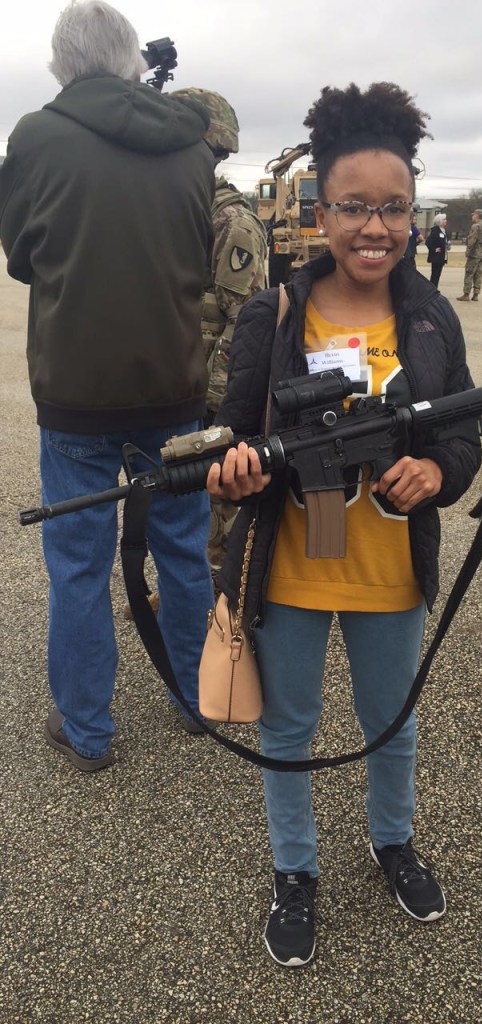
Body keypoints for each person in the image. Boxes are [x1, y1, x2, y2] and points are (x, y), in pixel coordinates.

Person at [207, 81, 482, 967]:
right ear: (321, 211)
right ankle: (295, 869)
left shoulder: (431, 316)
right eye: (356, 207)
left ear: (414, 212)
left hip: (389, 568)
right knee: (288, 730)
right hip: (293, 561)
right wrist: (236, 465)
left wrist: (437, 469)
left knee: (390, 721)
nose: (376, 227)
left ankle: (390, 840)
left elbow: (462, 435)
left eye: (395, 208)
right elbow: (233, 428)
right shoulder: (276, 311)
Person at [0, 0, 216, 769]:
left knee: (80, 564)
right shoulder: (194, 144)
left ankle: (88, 729)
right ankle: (198, 699)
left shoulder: (34, 136)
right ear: (131, 61)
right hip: (174, 381)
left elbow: (22, 255)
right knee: (185, 549)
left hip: (77, 390)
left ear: (62, 65)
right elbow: (199, 251)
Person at [170, 86, 268, 577]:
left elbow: (246, 318)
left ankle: (222, 602)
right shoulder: (180, 208)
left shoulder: (231, 222)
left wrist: (215, 402)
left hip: (210, 390)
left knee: (218, 502)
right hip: (180, 383)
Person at [456, 209, 482, 301]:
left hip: (474, 253)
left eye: (473, 215)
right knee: (479, 274)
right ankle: (476, 295)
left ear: (477, 215)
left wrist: (468, 251)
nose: (472, 216)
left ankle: (466, 294)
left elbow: (472, 240)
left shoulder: (476, 226)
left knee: (469, 273)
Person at [425, 212, 448, 288]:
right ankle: (432, 289)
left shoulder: (443, 231)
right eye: (444, 219)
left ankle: (435, 288)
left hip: (442, 257)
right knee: (434, 274)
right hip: (436, 257)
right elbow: (428, 241)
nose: (446, 221)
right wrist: (434, 249)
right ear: (439, 221)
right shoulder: (435, 230)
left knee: (438, 275)